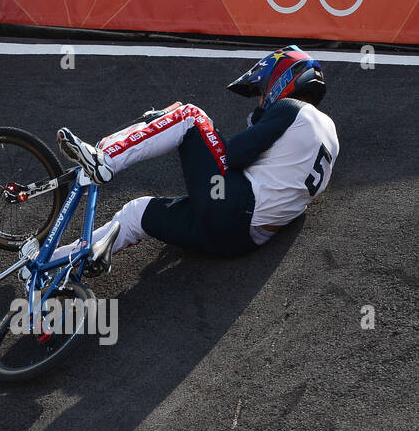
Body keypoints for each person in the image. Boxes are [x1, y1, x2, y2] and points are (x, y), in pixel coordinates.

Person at [54, 47, 337, 267]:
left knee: (190, 115)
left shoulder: (291, 108)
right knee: (135, 214)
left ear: (282, 80)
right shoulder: (329, 137)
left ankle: (105, 158)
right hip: (241, 241)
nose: (260, 100)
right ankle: (58, 262)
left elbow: (235, 154)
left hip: (233, 207)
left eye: (262, 92)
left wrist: (187, 127)